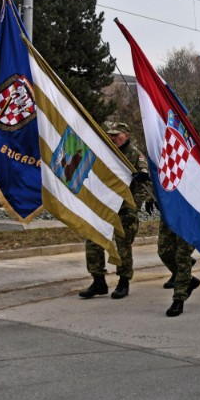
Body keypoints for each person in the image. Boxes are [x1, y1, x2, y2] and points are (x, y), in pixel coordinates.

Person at [79, 122, 150, 300]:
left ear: (126, 135)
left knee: (122, 246)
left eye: (117, 135)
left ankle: (123, 282)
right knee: (93, 240)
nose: (113, 138)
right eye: (111, 135)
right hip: (104, 206)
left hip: (125, 209)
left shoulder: (135, 155)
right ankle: (98, 280)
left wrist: (134, 205)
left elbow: (144, 184)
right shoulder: (106, 152)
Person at [158, 221, 200, 316]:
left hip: (188, 214)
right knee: (164, 251)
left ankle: (179, 298)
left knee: (182, 256)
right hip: (169, 210)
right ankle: (189, 280)